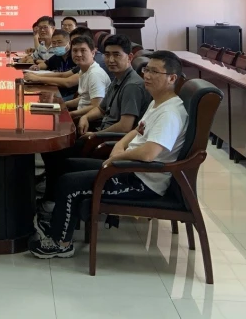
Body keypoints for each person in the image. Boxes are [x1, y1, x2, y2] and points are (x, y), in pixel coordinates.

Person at [29, 51, 188, 259]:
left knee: (70, 184)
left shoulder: (170, 114)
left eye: (154, 72)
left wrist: (117, 157)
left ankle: (61, 243)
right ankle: (61, 221)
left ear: (172, 78)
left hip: (142, 179)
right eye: (146, 70)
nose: (147, 75)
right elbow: (137, 130)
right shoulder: (158, 102)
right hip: (127, 166)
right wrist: (120, 146)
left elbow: (149, 153)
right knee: (66, 165)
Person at [39, 35, 150, 215]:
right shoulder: (118, 79)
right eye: (107, 55)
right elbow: (101, 108)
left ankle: (52, 200)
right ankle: (51, 191)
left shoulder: (132, 86)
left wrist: (95, 135)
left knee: (56, 150)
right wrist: (85, 117)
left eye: (116, 55)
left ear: (129, 57)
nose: (111, 60)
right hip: (100, 133)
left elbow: (125, 126)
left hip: (110, 142)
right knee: (53, 147)